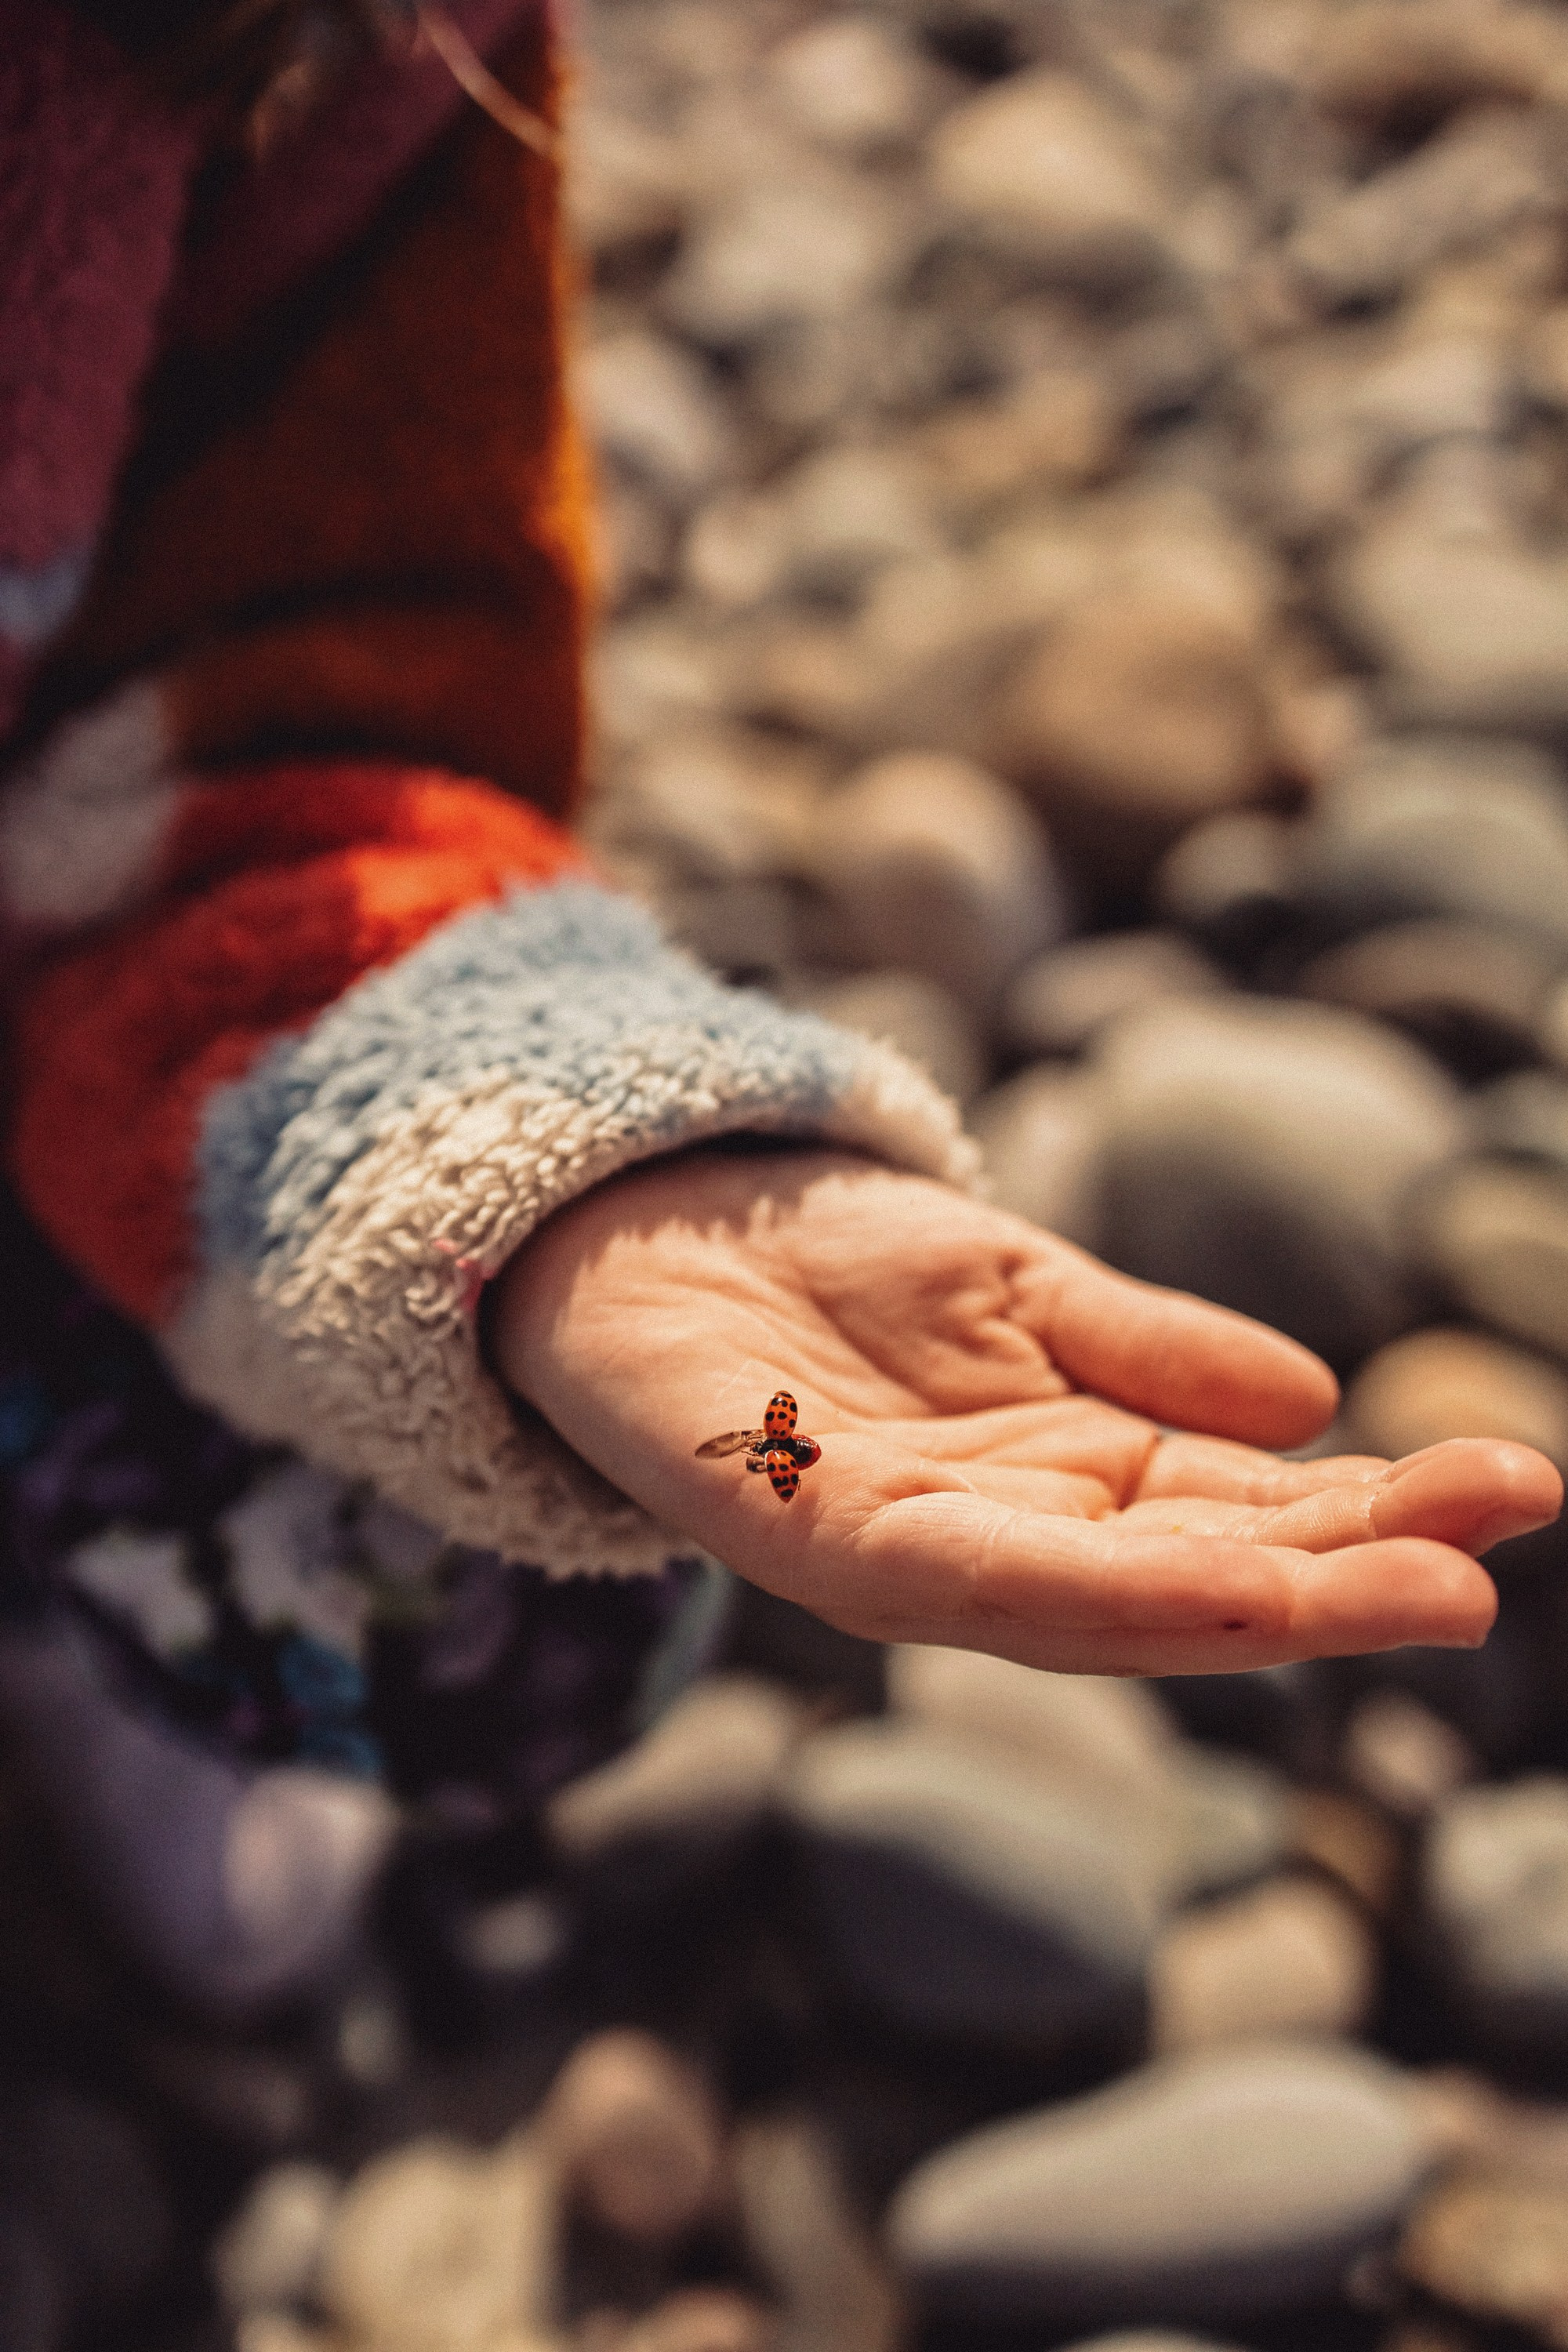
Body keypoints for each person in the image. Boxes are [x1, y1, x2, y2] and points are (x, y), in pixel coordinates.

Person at [0, 0, 1555, 2020]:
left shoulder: (299, 48)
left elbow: (284, 740)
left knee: (500, 1577)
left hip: (82, 1049)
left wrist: (527, 1156)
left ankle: (67, 1568)